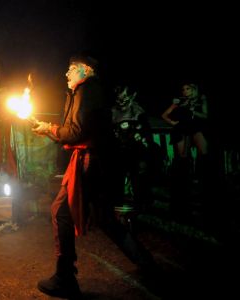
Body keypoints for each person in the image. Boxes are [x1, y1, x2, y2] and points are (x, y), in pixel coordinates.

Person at [32, 55, 156, 299]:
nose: (66, 74)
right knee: (105, 218)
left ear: (85, 70)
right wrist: (50, 130)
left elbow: (76, 132)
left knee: (60, 211)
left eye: (70, 69)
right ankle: (147, 263)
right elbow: (76, 131)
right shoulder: (88, 91)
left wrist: (50, 129)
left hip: (92, 162)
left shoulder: (87, 90)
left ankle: (65, 277)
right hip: (101, 162)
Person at [111, 85, 156, 212]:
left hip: (136, 150)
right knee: (118, 177)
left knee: (138, 178)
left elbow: (146, 132)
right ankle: (118, 204)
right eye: (119, 96)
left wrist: (146, 149)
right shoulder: (113, 111)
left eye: (125, 96)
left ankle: (142, 203)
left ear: (132, 96)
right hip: (119, 149)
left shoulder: (137, 110)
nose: (121, 99)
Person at [161, 83, 209, 181]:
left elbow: (205, 116)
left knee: (204, 151)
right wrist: (172, 122)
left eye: (188, 89)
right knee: (183, 156)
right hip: (181, 129)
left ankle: (202, 176)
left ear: (194, 89)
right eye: (183, 89)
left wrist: (193, 111)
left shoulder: (200, 99)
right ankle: (185, 179)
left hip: (195, 127)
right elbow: (164, 115)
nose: (185, 91)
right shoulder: (179, 101)